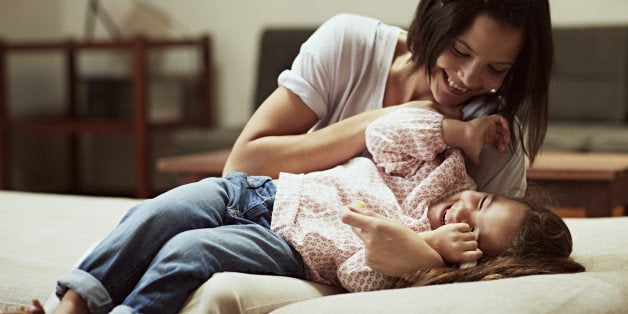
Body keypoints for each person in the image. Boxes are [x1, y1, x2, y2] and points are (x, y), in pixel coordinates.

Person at [14, 106, 582, 314]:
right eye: (480, 203)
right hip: (262, 193)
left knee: (187, 253)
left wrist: (423, 251)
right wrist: (459, 129)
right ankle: (76, 304)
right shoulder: (446, 169)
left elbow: (353, 274)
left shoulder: (427, 265)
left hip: (288, 247)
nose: (461, 215)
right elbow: (386, 133)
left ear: (476, 262)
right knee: (157, 214)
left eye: (473, 234)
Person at [220, 0, 554, 284]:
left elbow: (493, 263)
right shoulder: (350, 45)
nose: (468, 78)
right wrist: (385, 119)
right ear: (434, 22)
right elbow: (241, 166)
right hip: (270, 211)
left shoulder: (495, 143)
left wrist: (423, 258)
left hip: (318, 264)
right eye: (460, 50)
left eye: (496, 69)